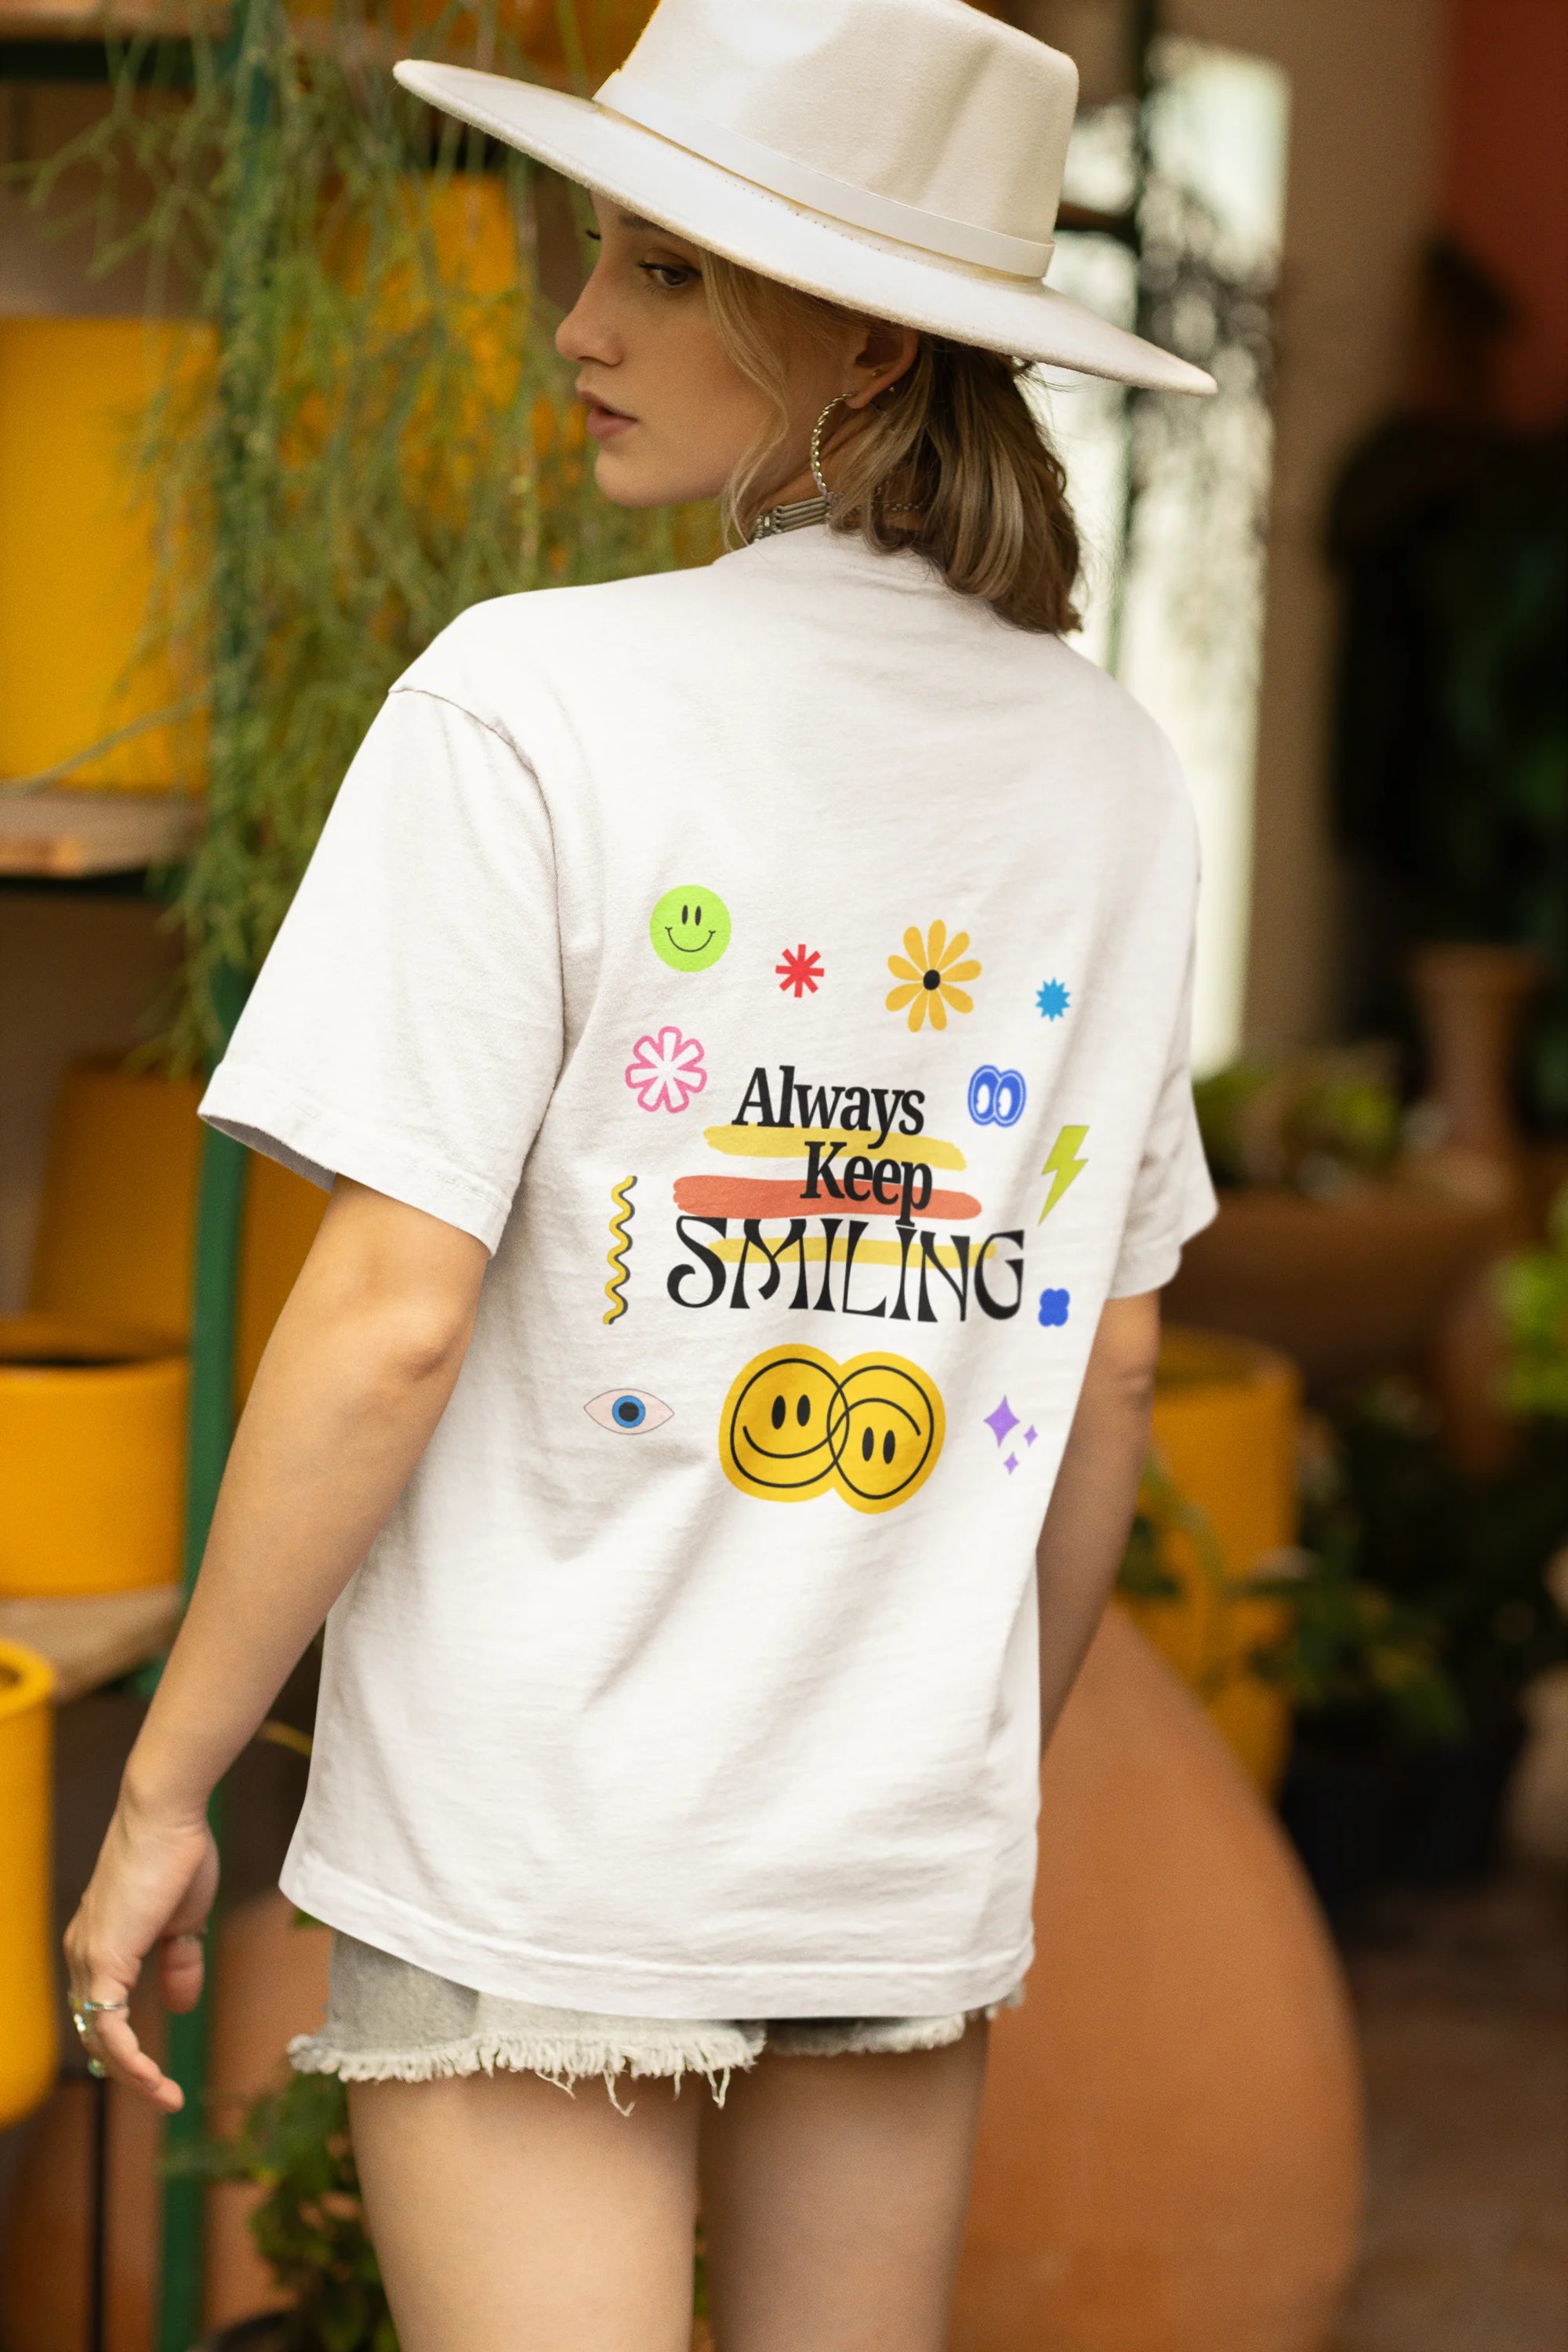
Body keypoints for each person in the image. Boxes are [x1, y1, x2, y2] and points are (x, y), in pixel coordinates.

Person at [65, 2, 1216, 2344]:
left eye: (671, 273)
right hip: (882, 1840)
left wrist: (171, 1782)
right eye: (602, 257)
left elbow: (388, 1316)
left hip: (534, 1835)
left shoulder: (527, 702)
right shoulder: (1110, 773)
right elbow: (1110, 1378)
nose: (581, 328)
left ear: (874, 337)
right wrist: (944, 1744)